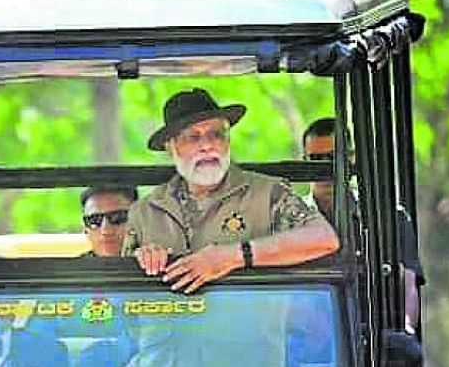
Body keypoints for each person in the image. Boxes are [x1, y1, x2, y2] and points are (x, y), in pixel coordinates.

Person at [124, 88, 339, 293]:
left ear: (228, 140)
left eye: (216, 134)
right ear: (170, 148)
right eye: (193, 137)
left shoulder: (268, 193)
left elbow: (323, 238)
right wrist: (146, 258)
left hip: (250, 330)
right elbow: (124, 293)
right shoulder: (144, 212)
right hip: (171, 329)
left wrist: (236, 255)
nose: (207, 146)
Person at [302, 117, 425, 332]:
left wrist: (405, 328)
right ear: (303, 162)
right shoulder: (289, 222)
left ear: (350, 160)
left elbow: (408, 284)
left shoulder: (390, 219)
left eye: (332, 158)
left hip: (375, 341)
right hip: (310, 341)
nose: (323, 168)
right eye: (315, 159)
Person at [80, 185, 137, 257]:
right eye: (94, 220)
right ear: (85, 229)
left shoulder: (152, 264)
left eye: (118, 218)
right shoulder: (71, 267)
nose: (106, 231)